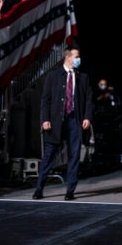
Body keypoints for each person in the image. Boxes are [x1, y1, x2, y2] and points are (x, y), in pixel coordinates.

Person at [32, 48, 93, 201]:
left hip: (74, 121)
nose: (79, 59)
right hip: (56, 122)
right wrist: (44, 119)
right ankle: (39, 188)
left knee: (74, 156)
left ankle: (70, 191)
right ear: (68, 57)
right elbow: (45, 99)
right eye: (76, 56)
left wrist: (87, 117)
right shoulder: (53, 76)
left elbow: (88, 99)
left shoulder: (82, 78)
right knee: (49, 155)